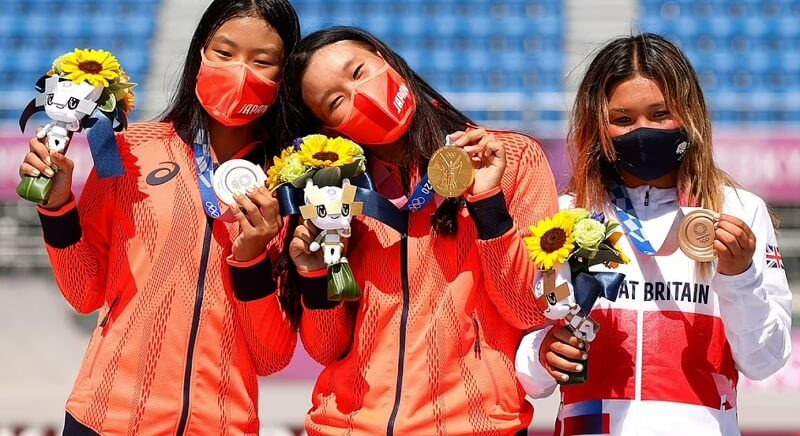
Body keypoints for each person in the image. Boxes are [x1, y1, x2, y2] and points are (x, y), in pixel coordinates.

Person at [17, 0, 300, 433]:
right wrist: (56, 209)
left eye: (262, 61)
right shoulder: (128, 150)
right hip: (105, 419)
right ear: (199, 54)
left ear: (283, 78)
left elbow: (271, 357)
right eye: (224, 53)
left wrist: (252, 261)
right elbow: (84, 292)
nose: (240, 72)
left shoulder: (289, 185)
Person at [268, 27, 559, 435]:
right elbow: (327, 348)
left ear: (384, 58)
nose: (361, 96)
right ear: (327, 128)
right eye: (336, 102)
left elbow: (529, 309)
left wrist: (487, 202)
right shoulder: (333, 199)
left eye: (359, 72)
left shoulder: (507, 160)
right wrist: (317, 275)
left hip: (474, 426)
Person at [515, 33, 792, 435]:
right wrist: (541, 354)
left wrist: (739, 275)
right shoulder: (562, 220)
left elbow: (765, 361)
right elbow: (526, 375)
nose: (642, 131)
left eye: (660, 115)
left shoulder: (738, 212)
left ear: (690, 114)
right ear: (597, 126)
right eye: (623, 120)